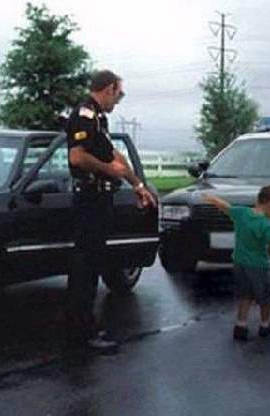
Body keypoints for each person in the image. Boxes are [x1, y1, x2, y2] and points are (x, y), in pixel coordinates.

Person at [66, 70, 157, 353]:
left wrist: (137, 184)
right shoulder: (84, 115)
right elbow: (77, 156)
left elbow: (114, 155)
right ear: (107, 90)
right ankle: (82, 331)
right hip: (90, 198)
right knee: (86, 265)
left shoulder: (98, 119)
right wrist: (109, 171)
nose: (118, 101)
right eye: (119, 94)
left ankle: (82, 325)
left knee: (91, 262)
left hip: (100, 198)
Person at [202, 186, 270, 341]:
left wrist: (212, 199)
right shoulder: (265, 225)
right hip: (259, 266)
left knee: (245, 295)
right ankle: (265, 325)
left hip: (239, 264)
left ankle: (241, 325)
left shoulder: (242, 213)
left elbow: (225, 206)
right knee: (265, 297)